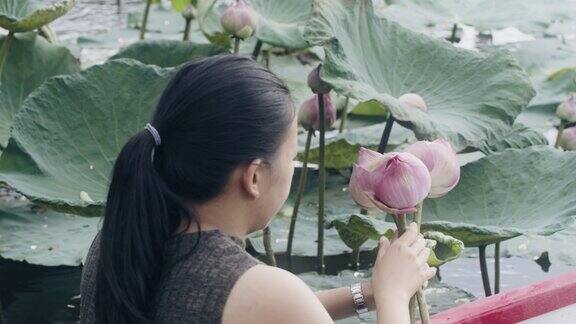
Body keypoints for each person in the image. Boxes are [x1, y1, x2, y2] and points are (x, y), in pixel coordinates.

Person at [79, 54, 436, 324]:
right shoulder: (259, 289)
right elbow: (265, 303)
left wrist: (367, 293)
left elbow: (250, 308)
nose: (293, 169)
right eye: (292, 157)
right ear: (253, 178)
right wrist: (393, 295)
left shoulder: (120, 241)